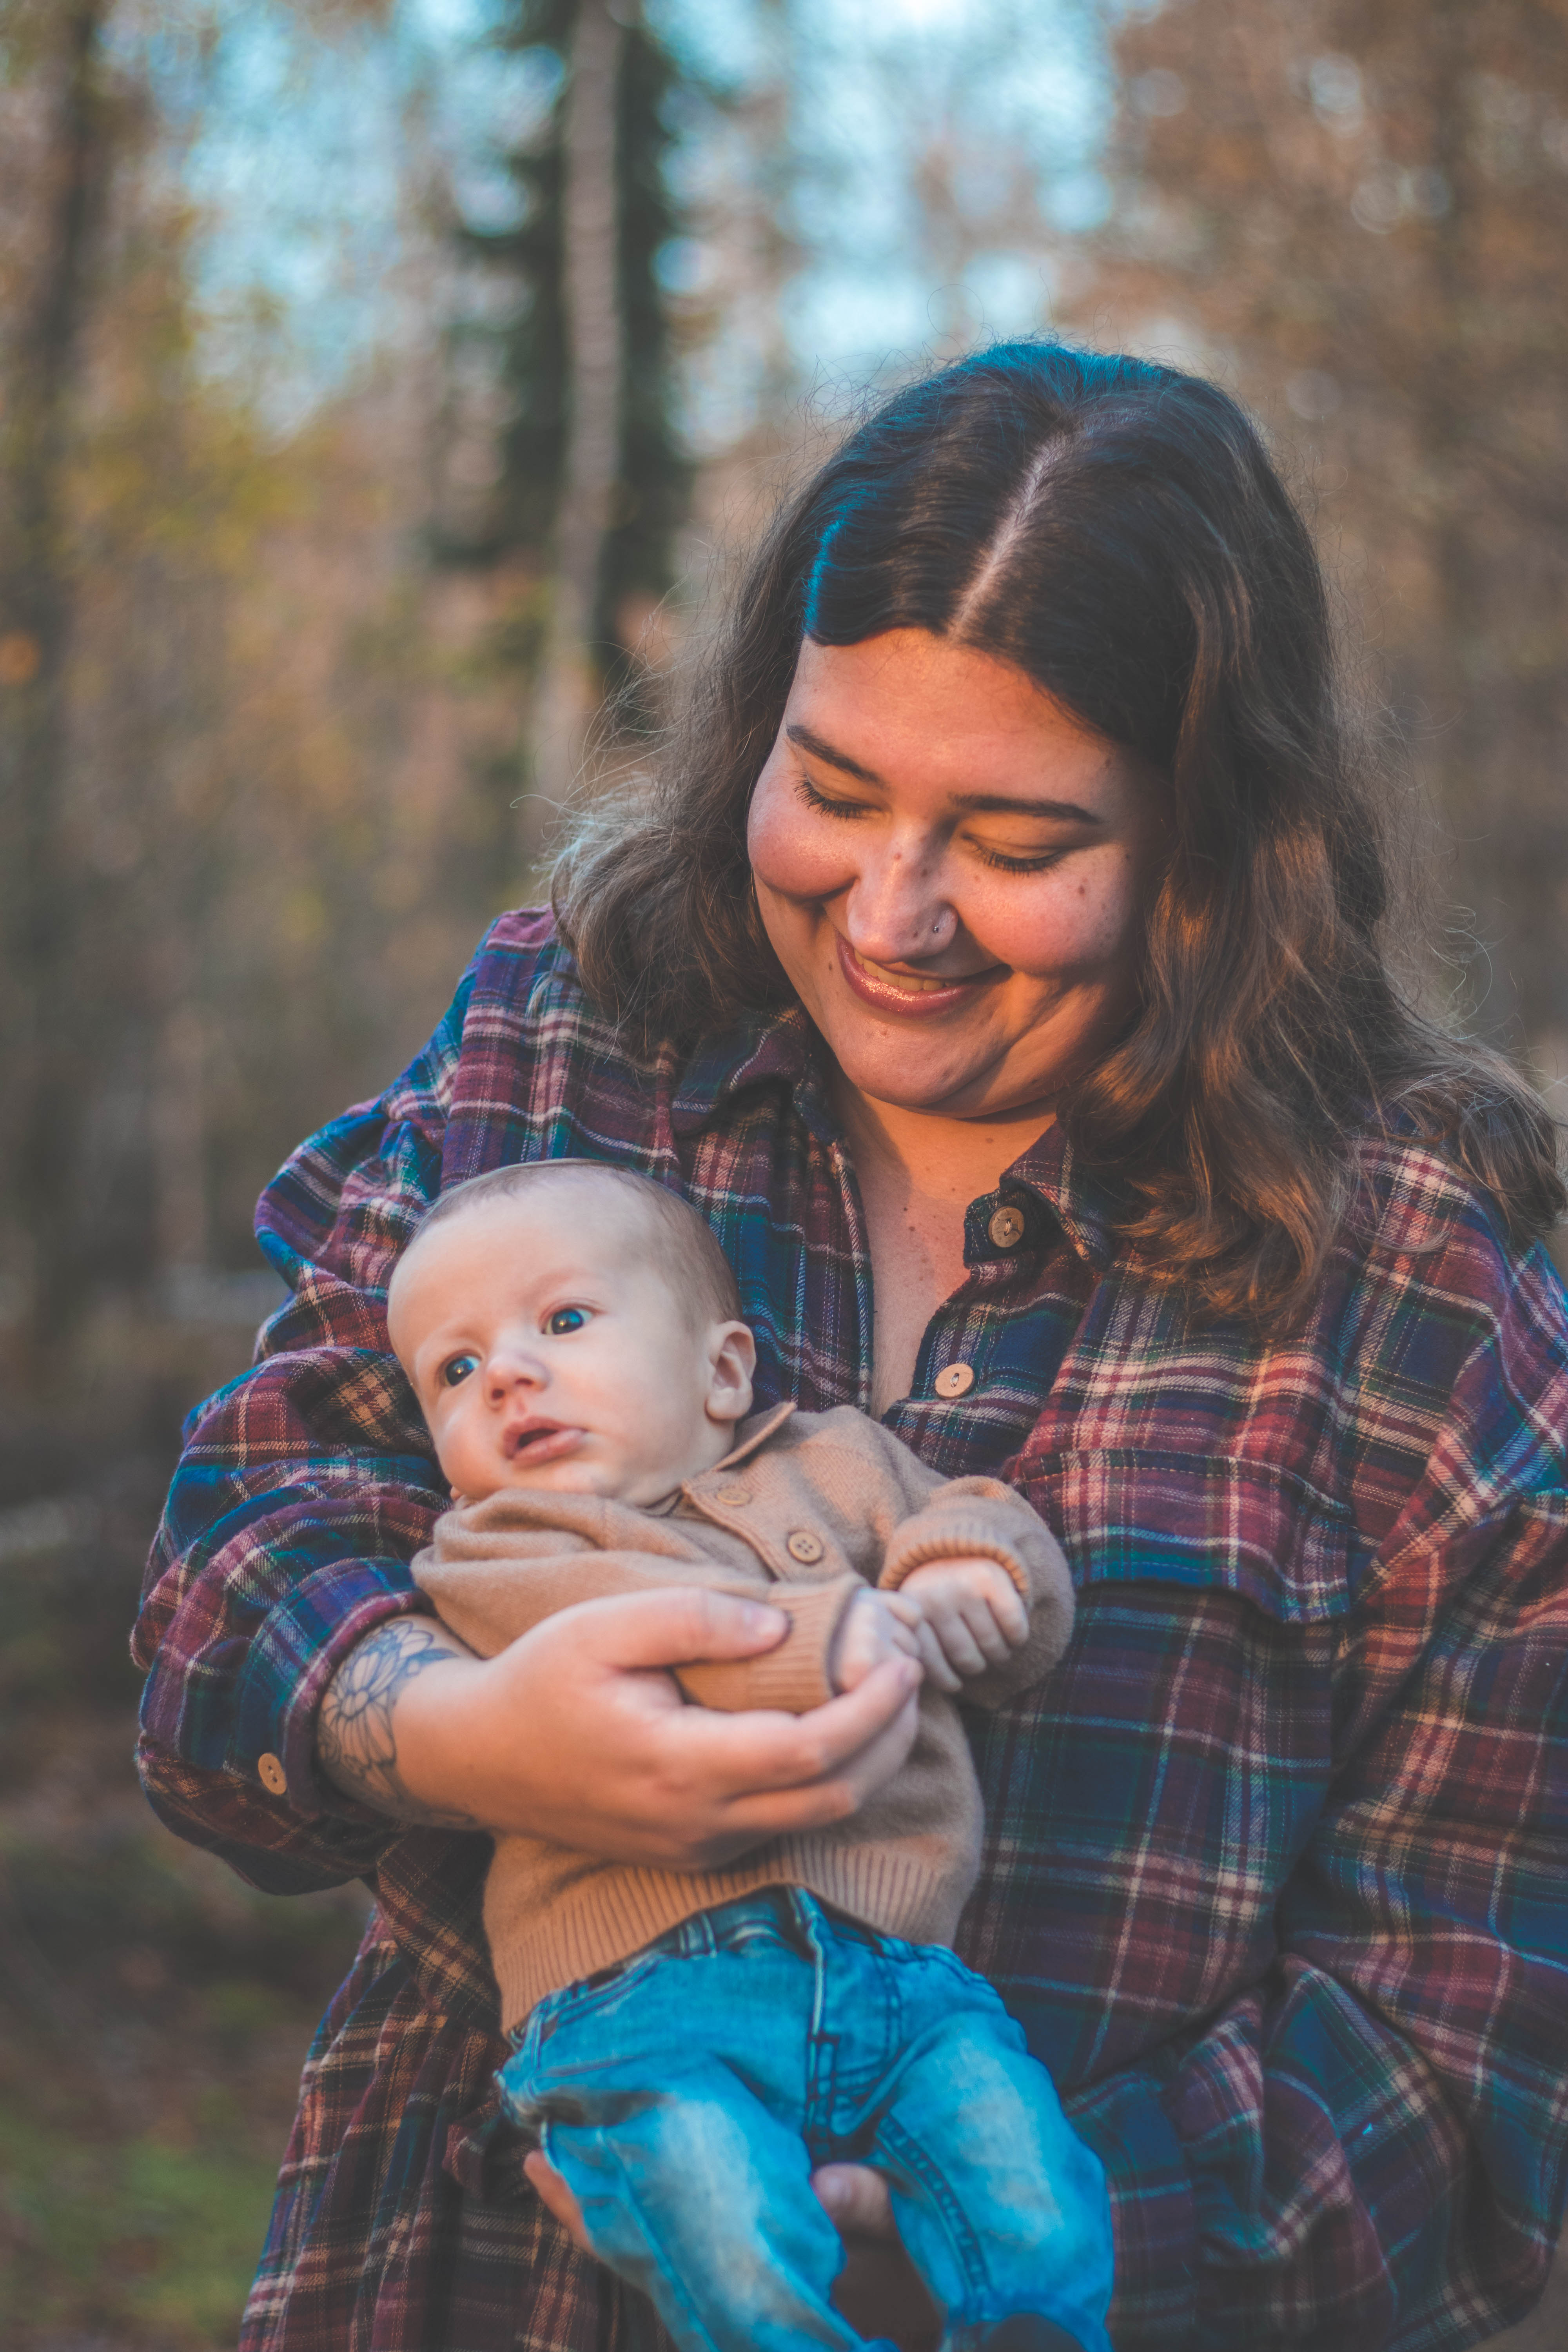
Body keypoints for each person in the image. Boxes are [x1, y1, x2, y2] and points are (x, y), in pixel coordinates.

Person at [132, 341, 1568, 2352]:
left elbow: (1474, 2062)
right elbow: (229, 1596)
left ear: (1208, 846)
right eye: (831, 788)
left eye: (1013, 838)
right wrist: (451, 1731)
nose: (890, 913)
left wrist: (988, 2240)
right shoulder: (578, 1032)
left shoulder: (1410, 1280)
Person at [385, 1154, 1107, 2352]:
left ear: (722, 1370)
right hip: (643, 2004)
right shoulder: (492, 1551)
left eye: (563, 1321)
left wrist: (974, 1575)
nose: (508, 1373)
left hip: (901, 1975)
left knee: (1020, 2159)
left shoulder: (838, 1461)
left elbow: (975, 1509)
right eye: (456, 1371)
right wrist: (848, 1633)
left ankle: (1036, 2329)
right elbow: (652, 1640)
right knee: (715, 2203)